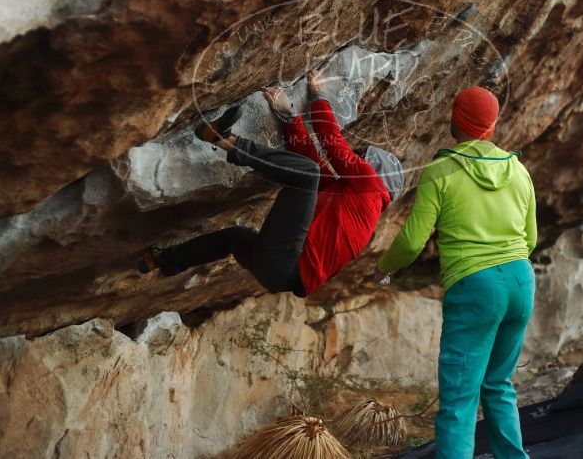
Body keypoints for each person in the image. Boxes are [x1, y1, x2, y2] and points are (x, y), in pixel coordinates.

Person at [137, 69, 405, 298]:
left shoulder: (369, 185)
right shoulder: (359, 209)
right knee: (234, 238)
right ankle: (163, 260)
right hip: (278, 276)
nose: (356, 159)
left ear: (374, 169)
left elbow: (333, 144)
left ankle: (226, 140)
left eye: (362, 158)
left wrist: (318, 95)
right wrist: (289, 117)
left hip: (288, 259)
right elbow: (308, 162)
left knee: (308, 174)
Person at [376, 86, 537, 458]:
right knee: (499, 385)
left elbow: (414, 241)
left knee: (459, 401)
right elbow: (530, 238)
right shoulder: (518, 169)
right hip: (520, 281)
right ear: (492, 126)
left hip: (476, 287)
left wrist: (385, 267)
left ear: (456, 119)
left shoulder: (442, 168)